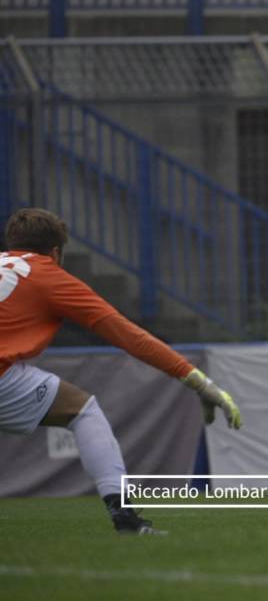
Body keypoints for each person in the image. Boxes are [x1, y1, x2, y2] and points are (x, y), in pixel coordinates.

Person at [0, 208, 244, 534]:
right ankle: (124, 516)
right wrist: (199, 383)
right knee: (83, 411)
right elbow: (130, 336)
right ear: (55, 252)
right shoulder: (49, 275)